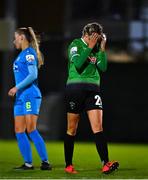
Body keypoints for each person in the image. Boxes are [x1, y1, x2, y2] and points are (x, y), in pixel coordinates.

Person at [64, 22, 119, 174]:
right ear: (86, 35)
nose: (95, 39)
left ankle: (106, 164)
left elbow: (103, 67)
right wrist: (90, 47)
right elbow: (79, 63)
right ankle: (68, 165)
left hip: (93, 90)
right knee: (72, 129)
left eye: (98, 37)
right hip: (75, 89)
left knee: (98, 128)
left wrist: (101, 48)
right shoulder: (76, 44)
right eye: (93, 37)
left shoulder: (96, 48)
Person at [8, 27, 52, 170]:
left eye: (16, 37)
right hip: (21, 96)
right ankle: (28, 163)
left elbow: (33, 75)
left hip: (30, 95)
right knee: (19, 130)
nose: (14, 40)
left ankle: (45, 162)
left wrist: (16, 87)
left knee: (31, 129)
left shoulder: (29, 54)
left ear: (22, 37)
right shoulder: (21, 55)